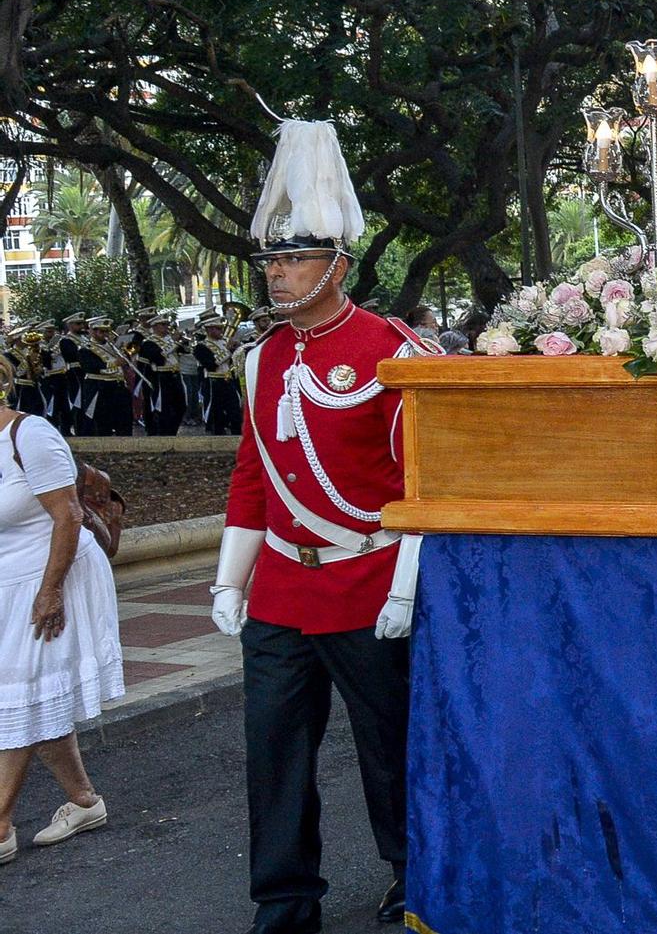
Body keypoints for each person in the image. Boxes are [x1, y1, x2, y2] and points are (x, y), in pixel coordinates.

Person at [211, 119, 439, 932]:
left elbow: (428, 482)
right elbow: (252, 473)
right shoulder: (259, 357)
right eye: (271, 259)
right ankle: (284, 896)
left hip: (371, 581)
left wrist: (408, 583)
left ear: (338, 264)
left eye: (294, 257)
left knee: (392, 746)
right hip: (279, 587)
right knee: (274, 750)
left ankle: (414, 875)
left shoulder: (395, 351)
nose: (277, 273)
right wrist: (229, 578)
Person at [0, 353, 123, 866]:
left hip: (53, 574)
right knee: (33, 690)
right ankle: (84, 802)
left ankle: (0, 824)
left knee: (20, 692)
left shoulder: (29, 436)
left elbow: (68, 516)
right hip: (8, 580)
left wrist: (49, 591)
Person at [192, 315, 242, 436]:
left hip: (229, 380)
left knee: (235, 411)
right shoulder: (201, 346)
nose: (222, 331)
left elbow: (234, 362)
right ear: (209, 330)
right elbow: (211, 365)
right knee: (216, 413)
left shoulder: (225, 342)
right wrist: (228, 350)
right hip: (213, 382)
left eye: (221, 328)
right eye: (218, 329)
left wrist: (238, 349)